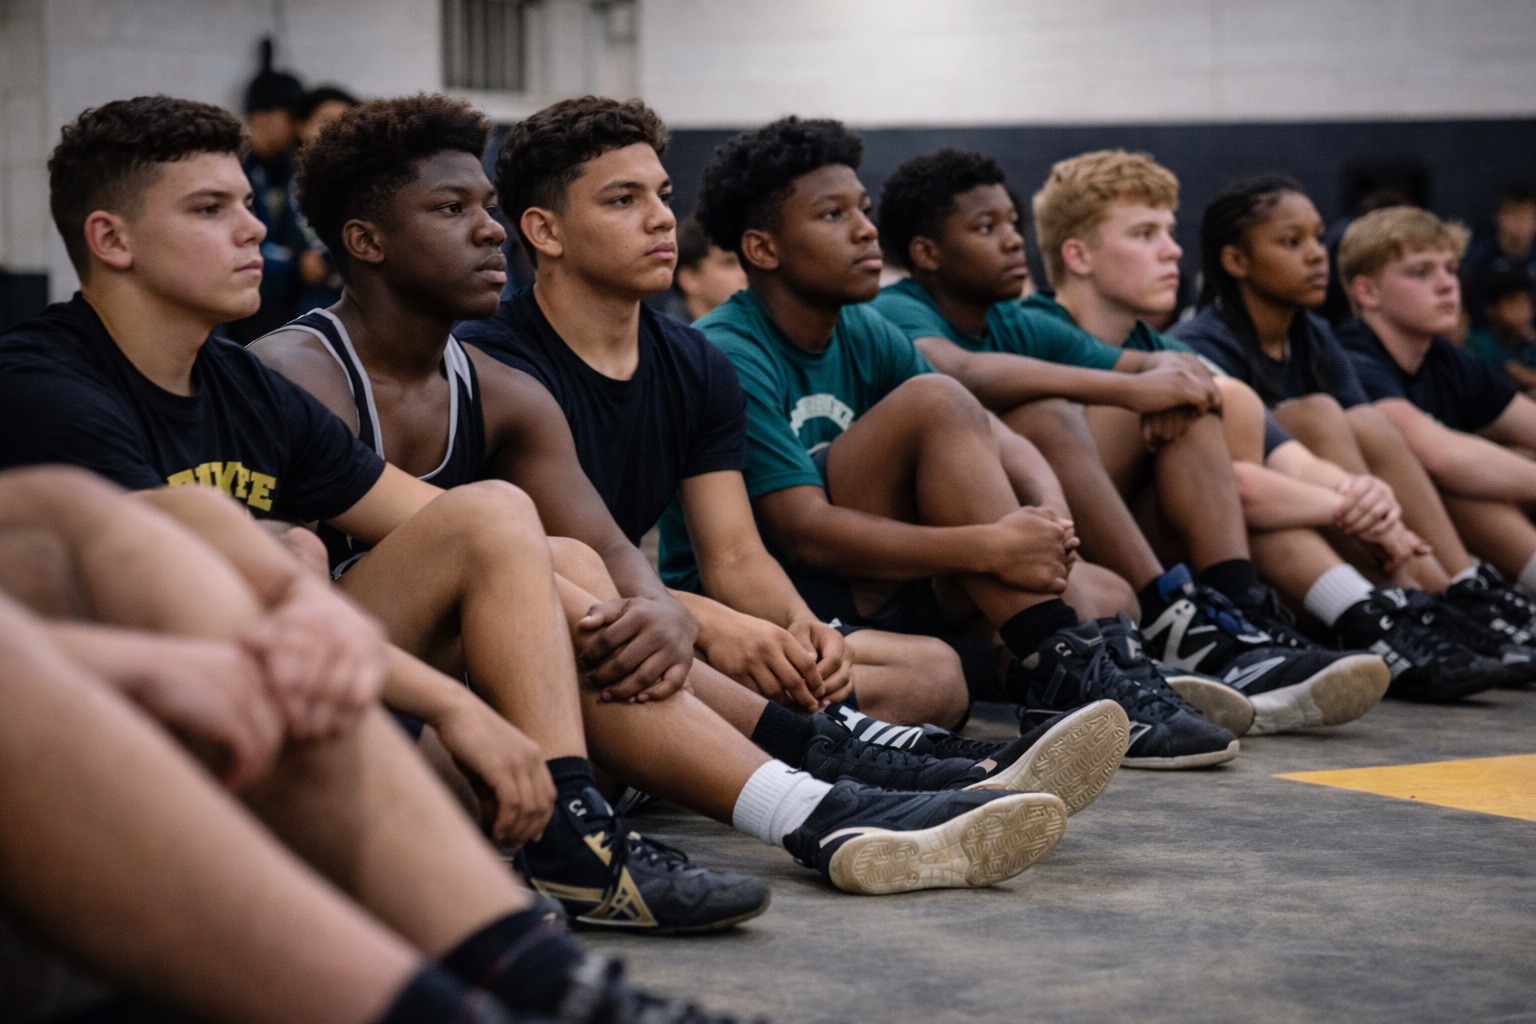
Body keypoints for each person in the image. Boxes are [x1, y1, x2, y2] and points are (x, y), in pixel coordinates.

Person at [245, 93, 1080, 903]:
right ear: (367, 241)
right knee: (501, 524)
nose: (488, 227)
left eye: (488, 204)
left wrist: (663, 612)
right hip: (352, 705)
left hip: (507, 679)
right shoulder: (297, 372)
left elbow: (611, 555)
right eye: (451, 208)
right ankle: (816, 771)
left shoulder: (502, 389)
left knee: (575, 569)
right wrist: (676, 616)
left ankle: (813, 795)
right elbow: (285, 598)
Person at [0, 465, 747, 1024]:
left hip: (302, 733)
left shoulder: (243, 380)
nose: (257, 242)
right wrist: (149, 665)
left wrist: (299, 601)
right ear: (112, 243)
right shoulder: (55, 375)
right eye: (228, 235)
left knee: (140, 535)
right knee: (502, 522)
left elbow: (98, 513)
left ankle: (549, 981)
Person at [688, 115, 1252, 768]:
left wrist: (1043, 521)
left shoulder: (862, 327)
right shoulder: (729, 348)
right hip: (788, 598)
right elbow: (803, 530)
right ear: (762, 249)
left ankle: (1050, 669)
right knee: (937, 401)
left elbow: (1000, 433)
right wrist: (988, 546)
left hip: (881, 584)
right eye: (833, 215)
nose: (867, 230)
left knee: (1104, 594)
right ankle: (1056, 667)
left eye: (864, 210)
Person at [870, 147, 1385, 734]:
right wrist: (1132, 388)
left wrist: (1159, 384)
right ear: (926, 252)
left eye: (1013, 223)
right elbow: (958, 372)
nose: (1014, 240)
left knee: (1117, 584)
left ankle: (1224, 616)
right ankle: (1190, 622)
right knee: (1049, 413)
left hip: (1043, 540)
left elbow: (1183, 373)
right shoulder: (897, 309)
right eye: (988, 228)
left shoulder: (1011, 322)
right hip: (955, 553)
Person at [1171, 176, 1524, 699]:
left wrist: (1367, 501)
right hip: (1233, 552)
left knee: (1359, 424)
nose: (1317, 255)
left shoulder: (1313, 335)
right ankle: (1405, 605)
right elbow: (1240, 484)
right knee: (1320, 415)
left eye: (1317, 238)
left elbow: (1368, 445)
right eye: (1293, 243)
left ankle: (1452, 595)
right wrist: (1351, 503)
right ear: (1235, 261)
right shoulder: (1198, 345)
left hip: (1327, 525)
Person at [1337, 205, 1536, 630]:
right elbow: (1440, 456)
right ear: (1367, 292)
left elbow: (1528, 423)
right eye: (1421, 272)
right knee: (1456, 476)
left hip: (1429, 543)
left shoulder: (1443, 357)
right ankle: (1470, 598)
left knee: (1512, 454)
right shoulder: (1350, 356)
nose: (1448, 285)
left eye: (1450, 268)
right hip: (1370, 548)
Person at [223, 44, 324, 342]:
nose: (297, 128)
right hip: (244, 313)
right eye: (290, 117)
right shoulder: (234, 168)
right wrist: (295, 263)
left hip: (289, 308)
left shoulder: (293, 167)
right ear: (260, 116)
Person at [1463, 183, 1536, 329]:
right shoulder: (1479, 259)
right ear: (1498, 217)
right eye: (1515, 215)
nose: (1521, 223)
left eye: (1528, 216)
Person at [1462, 268, 1536, 391]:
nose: (1521, 310)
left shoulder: (1530, 342)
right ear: (1490, 310)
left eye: (1526, 301)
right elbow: (1513, 372)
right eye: (1511, 302)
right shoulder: (1478, 343)